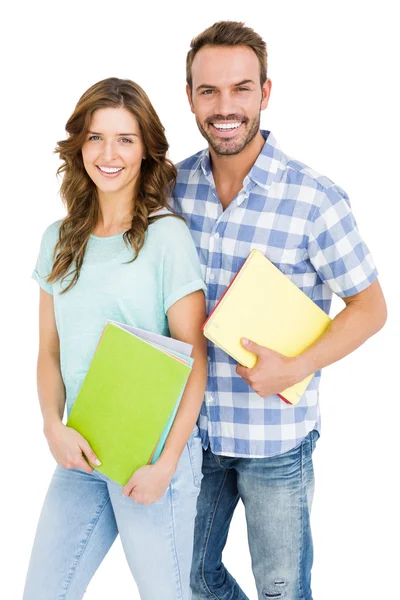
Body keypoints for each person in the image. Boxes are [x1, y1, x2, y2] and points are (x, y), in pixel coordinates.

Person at [170, 21, 387, 600]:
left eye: (241, 89)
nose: (225, 107)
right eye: (209, 91)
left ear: (265, 93)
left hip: (275, 441)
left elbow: (370, 307)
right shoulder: (171, 189)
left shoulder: (314, 198)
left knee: (282, 591)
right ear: (189, 97)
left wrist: (294, 367)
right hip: (194, 437)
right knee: (189, 578)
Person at [24, 77, 207, 600]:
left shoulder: (167, 235)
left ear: (146, 148)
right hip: (83, 450)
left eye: (125, 139)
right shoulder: (58, 240)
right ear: (79, 145)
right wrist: (51, 427)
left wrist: (167, 465)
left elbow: (195, 359)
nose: (109, 154)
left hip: (153, 457)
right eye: (96, 137)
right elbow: (49, 350)